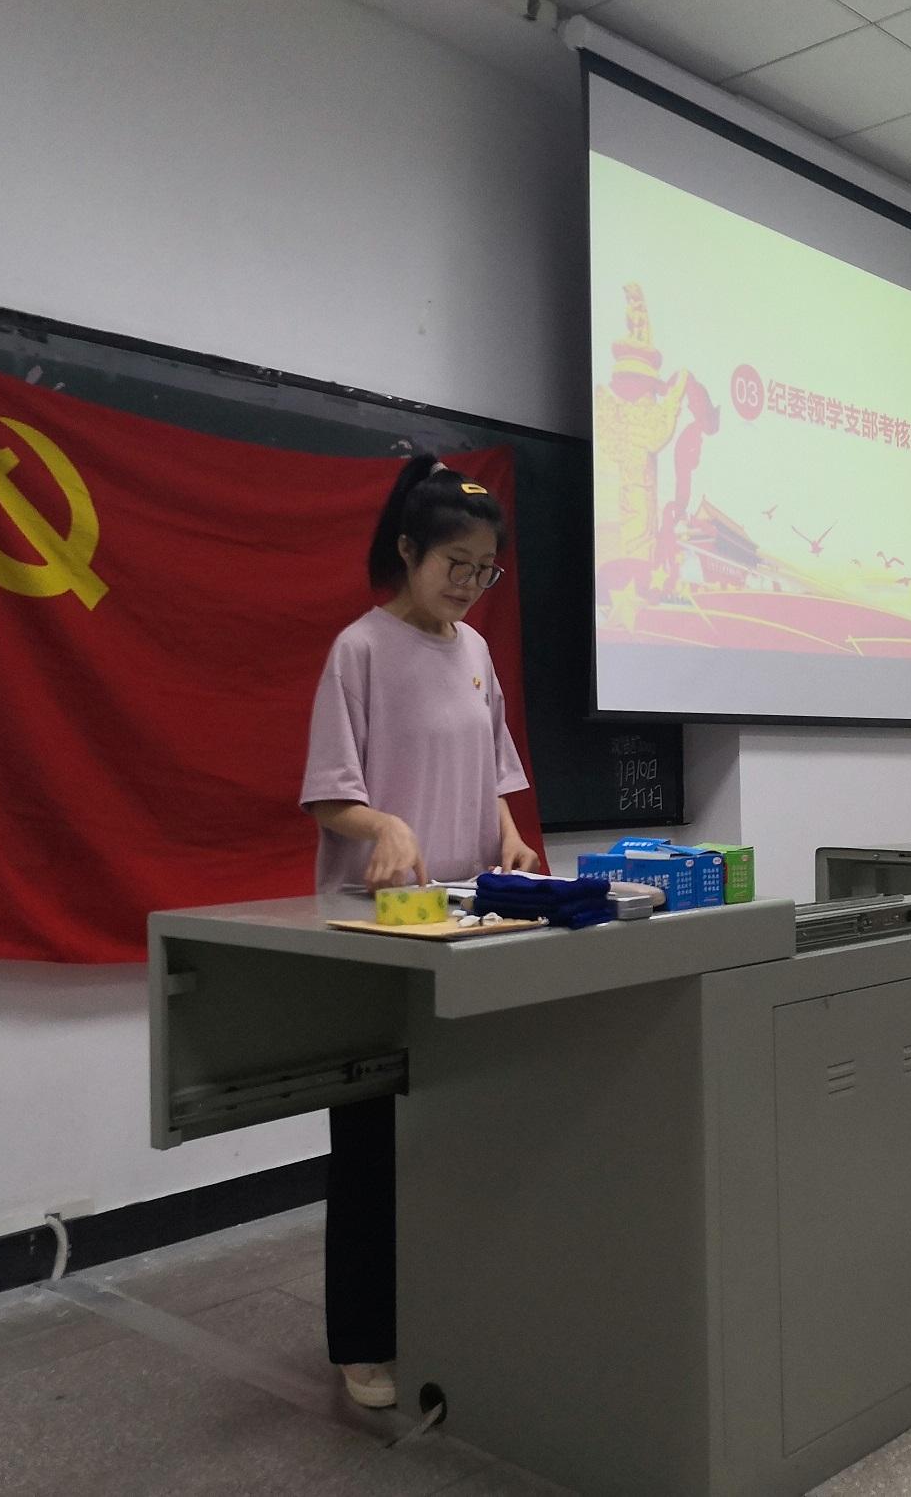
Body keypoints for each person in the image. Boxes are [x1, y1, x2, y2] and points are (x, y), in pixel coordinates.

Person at [299, 452, 540, 1409]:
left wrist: (508, 836)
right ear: (407, 550)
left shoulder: (475, 653)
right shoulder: (359, 649)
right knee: (372, 1143)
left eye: (485, 570)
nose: (470, 585)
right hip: (380, 929)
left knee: (460, 1129)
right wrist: (383, 826)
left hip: (465, 922)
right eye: (455, 564)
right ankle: (363, 1343)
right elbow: (330, 794)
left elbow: (492, 774)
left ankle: (450, 1312)